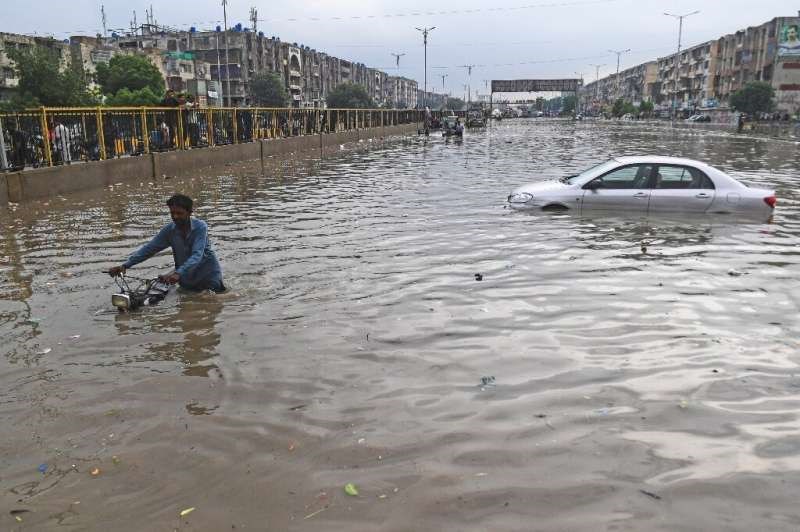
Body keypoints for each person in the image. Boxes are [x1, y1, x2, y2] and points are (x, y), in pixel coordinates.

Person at [108, 194, 225, 292]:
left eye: (179, 213)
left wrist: (178, 273)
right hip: (186, 279)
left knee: (210, 305)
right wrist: (125, 265)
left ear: (189, 212)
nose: (175, 217)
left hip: (208, 276)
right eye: (172, 213)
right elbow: (149, 249)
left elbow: (197, 255)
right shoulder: (169, 231)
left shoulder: (200, 227)